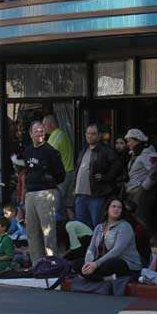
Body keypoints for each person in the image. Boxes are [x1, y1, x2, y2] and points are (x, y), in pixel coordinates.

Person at [22, 121, 65, 266]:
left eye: (42, 131)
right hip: (30, 194)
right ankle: (38, 265)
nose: (40, 134)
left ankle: (52, 263)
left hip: (46, 193)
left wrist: (48, 182)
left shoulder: (51, 151)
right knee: (32, 231)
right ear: (30, 134)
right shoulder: (27, 151)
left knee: (48, 232)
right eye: (37, 131)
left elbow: (61, 175)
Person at [75, 197, 142, 281]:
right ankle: (103, 278)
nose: (116, 209)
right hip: (101, 263)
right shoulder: (99, 227)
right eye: (113, 206)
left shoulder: (125, 226)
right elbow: (91, 249)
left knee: (111, 264)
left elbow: (117, 250)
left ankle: (92, 277)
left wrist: (96, 264)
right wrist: (87, 263)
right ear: (106, 210)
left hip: (126, 264)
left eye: (119, 207)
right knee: (77, 263)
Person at [74, 123, 122, 229]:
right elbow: (78, 171)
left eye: (93, 134)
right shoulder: (83, 150)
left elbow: (117, 165)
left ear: (99, 135)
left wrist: (106, 177)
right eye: (87, 133)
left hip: (96, 194)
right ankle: (85, 246)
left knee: (98, 226)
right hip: (80, 194)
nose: (89, 136)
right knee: (80, 227)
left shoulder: (106, 150)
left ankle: (99, 245)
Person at [123, 129, 157, 230]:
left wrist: (143, 187)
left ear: (137, 141)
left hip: (141, 194)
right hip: (133, 192)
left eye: (129, 141)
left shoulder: (147, 153)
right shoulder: (135, 153)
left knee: (142, 222)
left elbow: (154, 172)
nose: (128, 143)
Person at [42, 114, 74, 219]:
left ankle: (57, 230)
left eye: (44, 125)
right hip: (70, 173)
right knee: (68, 205)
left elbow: (46, 157)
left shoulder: (54, 137)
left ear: (51, 125)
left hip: (61, 177)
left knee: (54, 206)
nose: (42, 127)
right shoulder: (63, 134)